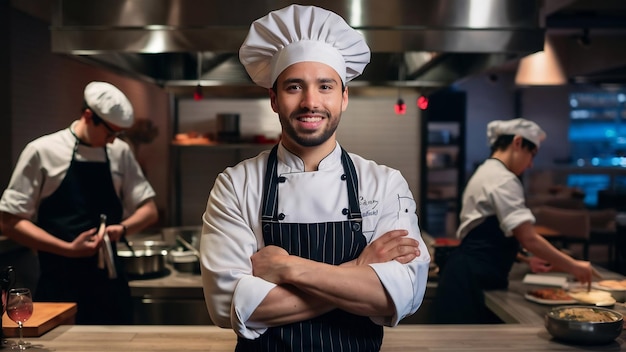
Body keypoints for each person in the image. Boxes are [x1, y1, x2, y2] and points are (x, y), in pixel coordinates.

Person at [200, 4, 430, 351]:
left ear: (344, 97)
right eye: (294, 87)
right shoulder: (236, 184)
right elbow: (225, 305)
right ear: (274, 99)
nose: (311, 102)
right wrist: (357, 270)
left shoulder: (384, 184)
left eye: (325, 86)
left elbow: (401, 296)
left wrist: (287, 268)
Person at [0, 81, 158, 324]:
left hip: (110, 288)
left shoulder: (120, 152)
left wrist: (122, 229)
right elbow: (9, 222)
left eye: (118, 135)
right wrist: (68, 249)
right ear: (88, 116)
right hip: (59, 285)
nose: (113, 141)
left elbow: (149, 211)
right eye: (109, 133)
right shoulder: (42, 151)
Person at [432, 118, 594, 324]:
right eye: (531, 154)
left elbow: (486, 233)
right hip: (471, 280)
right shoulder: (503, 179)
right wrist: (574, 266)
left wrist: (526, 259)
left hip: (465, 273)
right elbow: (529, 238)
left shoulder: (486, 171)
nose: (531, 163)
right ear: (517, 143)